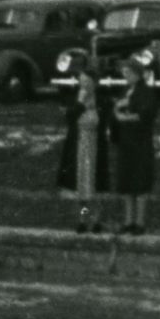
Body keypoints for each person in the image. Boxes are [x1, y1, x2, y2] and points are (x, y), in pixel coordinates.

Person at [58, 61, 114, 232]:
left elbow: (108, 123)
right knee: (82, 190)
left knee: (96, 188)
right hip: (79, 148)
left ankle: (96, 220)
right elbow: (70, 118)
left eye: (87, 82)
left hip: (95, 147)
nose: (84, 85)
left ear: (94, 83)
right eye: (81, 81)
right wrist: (80, 103)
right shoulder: (75, 100)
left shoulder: (103, 101)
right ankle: (83, 219)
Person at [114, 49, 159, 234]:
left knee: (140, 184)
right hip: (126, 142)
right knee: (126, 183)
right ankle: (128, 221)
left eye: (128, 72)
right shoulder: (125, 91)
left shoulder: (145, 92)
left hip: (140, 142)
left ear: (136, 73)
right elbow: (117, 110)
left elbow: (145, 114)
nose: (125, 75)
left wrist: (126, 115)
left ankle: (139, 223)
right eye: (124, 72)